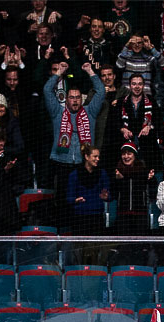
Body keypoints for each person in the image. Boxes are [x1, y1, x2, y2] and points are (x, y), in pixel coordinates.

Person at [45, 61, 105, 225]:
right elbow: (46, 91)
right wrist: (59, 73)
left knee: (83, 204)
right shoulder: (57, 111)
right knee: (62, 203)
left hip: (82, 165)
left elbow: (101, 91)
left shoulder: (90, 112)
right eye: (71, 97)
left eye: (78, 97)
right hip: (60, 163)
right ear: (67, 99)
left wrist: (90, 71)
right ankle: (62, 238)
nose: (75, 101)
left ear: (82, 98)